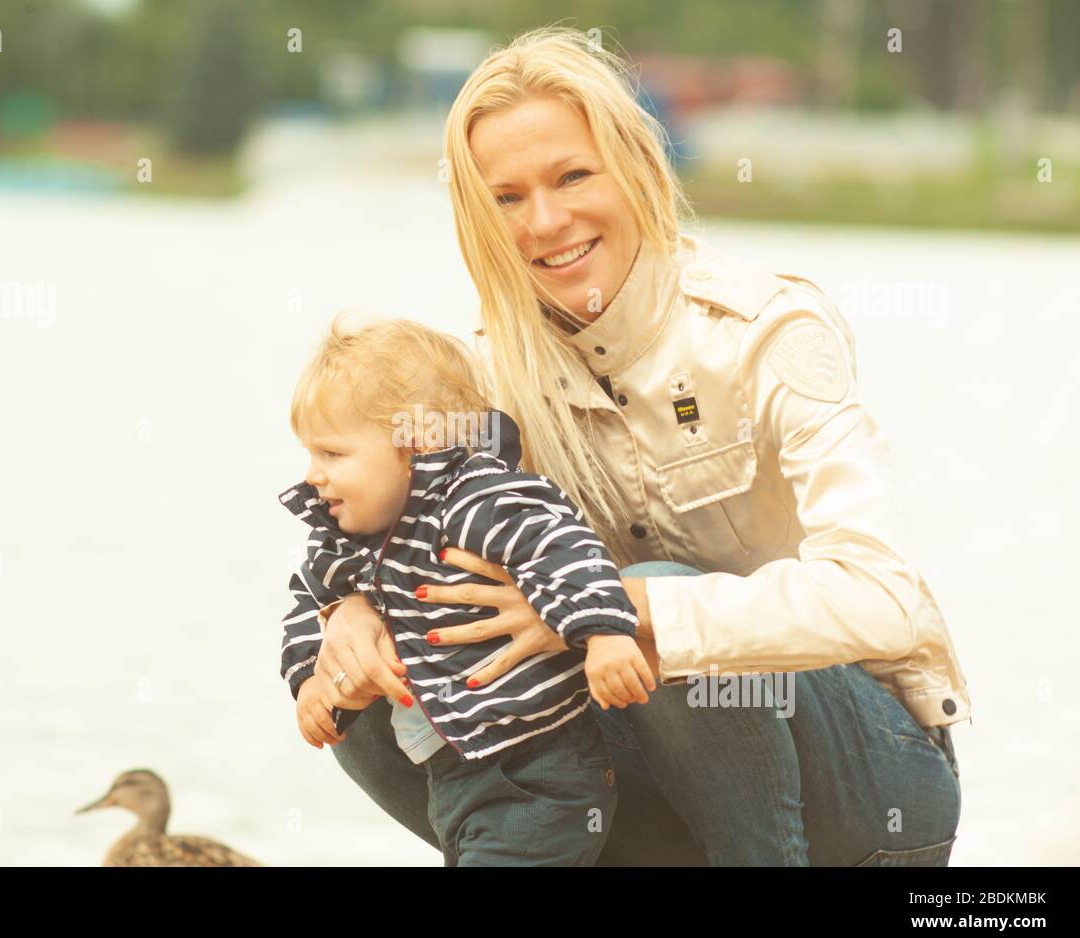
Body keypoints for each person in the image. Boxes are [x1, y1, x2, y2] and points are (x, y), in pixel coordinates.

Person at [307, 27, 970, 867]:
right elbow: (388, 535)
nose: (546, 222)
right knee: (362, 685)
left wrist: (631, 607)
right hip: (659, 787)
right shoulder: (483, 376)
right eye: (506, 198)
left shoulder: (768, 332)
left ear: (638, 167)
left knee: (654, 604)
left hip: (873, 791)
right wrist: (353, 613)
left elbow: (882, 599)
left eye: (573, 176)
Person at [278, 313, 658, 865]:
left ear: (416, 444)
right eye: (310, 453)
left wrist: (604, 633)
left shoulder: (476, 499)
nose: (313, 474)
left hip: (534, 766)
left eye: (332, 454)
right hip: (451, 775)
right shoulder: (348, 536)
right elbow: (307, 601)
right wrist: (310, 680)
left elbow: (563, 549)